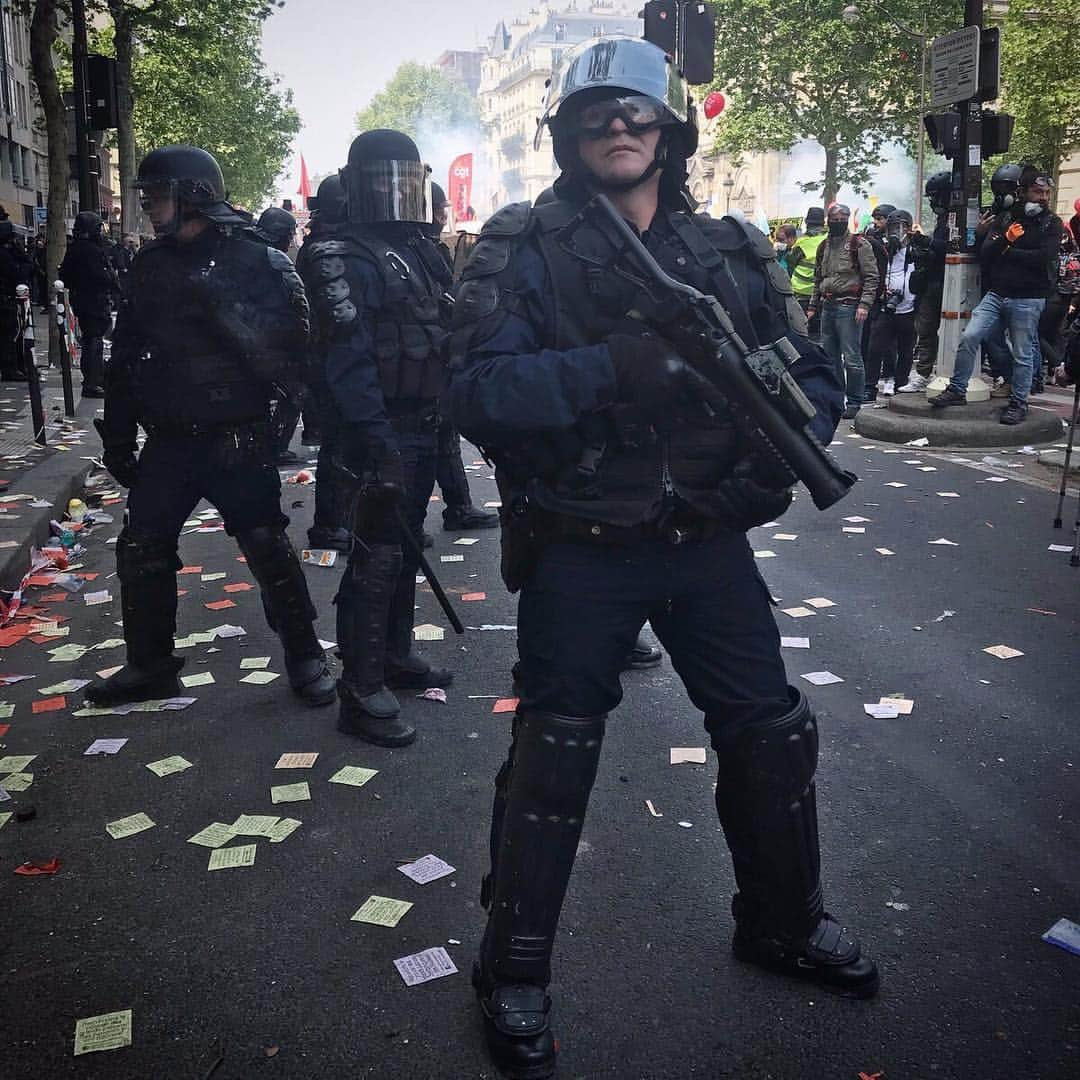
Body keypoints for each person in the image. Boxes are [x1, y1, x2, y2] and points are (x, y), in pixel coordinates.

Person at [449, 36, 877, 1080]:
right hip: (583, 543)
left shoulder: (727, 249)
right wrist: (615, 367)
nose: (620, 127)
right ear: (567, 134)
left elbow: (812, 375)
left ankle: (780, 921)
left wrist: (775, 450)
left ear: (671, 131)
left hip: (705, 538)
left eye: (637, 114)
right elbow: (479, 396)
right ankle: (513, 967)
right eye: (598, 114)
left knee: (770, 731)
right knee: (555, 754)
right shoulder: (521, 247)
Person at [85, 145, 335, 709]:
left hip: (236, 440)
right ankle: (149, 665)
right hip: (170, 442)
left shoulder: (260, 261)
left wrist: (277, 425)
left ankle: (304, 654)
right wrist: (120, 437)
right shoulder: (150, 264)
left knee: (268, 546)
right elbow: (126, 357)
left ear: (193, 194)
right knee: (142, 549)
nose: (148, 206)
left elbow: (297, 356)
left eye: (157, 196)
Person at [306, 129, 454, 747]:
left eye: (406, 181)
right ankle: (360, 690)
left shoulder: (419, 249)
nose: (397, 195)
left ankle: (394, 656)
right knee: (378, 556)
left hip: (420, 421)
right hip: (375, 429)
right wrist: (374, 440)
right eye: (382, 182)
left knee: (404, 548)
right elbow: (349, 360)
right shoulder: (341, 256)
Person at [929, 165, 1064, 425]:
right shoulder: (1006, 218)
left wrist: (1007, 247)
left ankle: (1019, 402)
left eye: (1047, 193)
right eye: (1038, 192)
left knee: (1022, 352)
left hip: (1028, 297)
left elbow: (1042, 258)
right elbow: (987, 252)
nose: (1044, 198)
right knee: (970, 336)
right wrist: (1002, 242)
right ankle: (957, 389)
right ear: (1023, 192)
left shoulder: (1052, 223)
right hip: (997, 293)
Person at [422, 182, 501, 534]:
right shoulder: (411, 251)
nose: (442, 216)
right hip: (412, 362)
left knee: (444, 438)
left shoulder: (426, 249)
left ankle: (459, 506)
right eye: (439, 209)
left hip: (432, 358)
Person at [296, 173, 353, 553]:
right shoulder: (326, 249)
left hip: (326, 360)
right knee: (340, 446)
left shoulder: (320, 243)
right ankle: (329, 524)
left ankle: (339, 521)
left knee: (344, 445)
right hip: (330, 360)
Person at [807, 203, 879, 418]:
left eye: (841, 217)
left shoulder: (859, 244)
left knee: (852, 357)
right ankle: (836, 398)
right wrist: (813, 305)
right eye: (833, 218)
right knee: (830, 357)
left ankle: (855, 401)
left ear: (848, 219)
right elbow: (818, 278)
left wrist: (864, 305)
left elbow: (871, 277)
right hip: (828, 306)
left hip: (850, 307)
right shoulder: (823, 246)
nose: (837, 221)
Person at [250, 206, 306, 465]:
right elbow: (298, 303)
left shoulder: (237, 250)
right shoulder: (275, 258)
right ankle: (274, 446)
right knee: (293, 394)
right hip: (273, 340)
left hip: (242, 339)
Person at [898, 171, 952, 393]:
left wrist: (927, 242)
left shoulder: (960, 215)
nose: (933, 203)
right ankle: (923, 373)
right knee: (926, 328)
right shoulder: (942, 219)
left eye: (935, 197)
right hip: (934, 281)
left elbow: (952, 247)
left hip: (949, 282)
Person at [59, 211, 117, 398]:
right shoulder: (91, 250)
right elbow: (103, 276)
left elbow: (65, 275)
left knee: (91, 339)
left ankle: (91, 379)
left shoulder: (75, 248)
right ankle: (93, 382)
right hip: (94, 301)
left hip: (83, 301)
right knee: (94, 341)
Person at [865, 209, 916, 399]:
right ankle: (869, 388)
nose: (897, 232)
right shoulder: (884, 250)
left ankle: (901, 385)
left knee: (905, 350)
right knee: (875, 348)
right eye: (893, 228)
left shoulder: (916, 250)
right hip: (886, 308)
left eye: (901, 227)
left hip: (909, 309)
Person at [786, 206, 826, 338]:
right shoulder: (829, 240)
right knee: (821, 333)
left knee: (801, 332)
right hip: (822, 294)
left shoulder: (801, 243)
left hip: (801, 294)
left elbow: (790, 265)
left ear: (807, 223)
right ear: (823, 223)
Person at [0, 222, 26, 380]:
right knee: (9, 335)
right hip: (6, 299)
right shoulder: (4, 255)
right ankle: (10, 369)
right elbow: (18, 274)